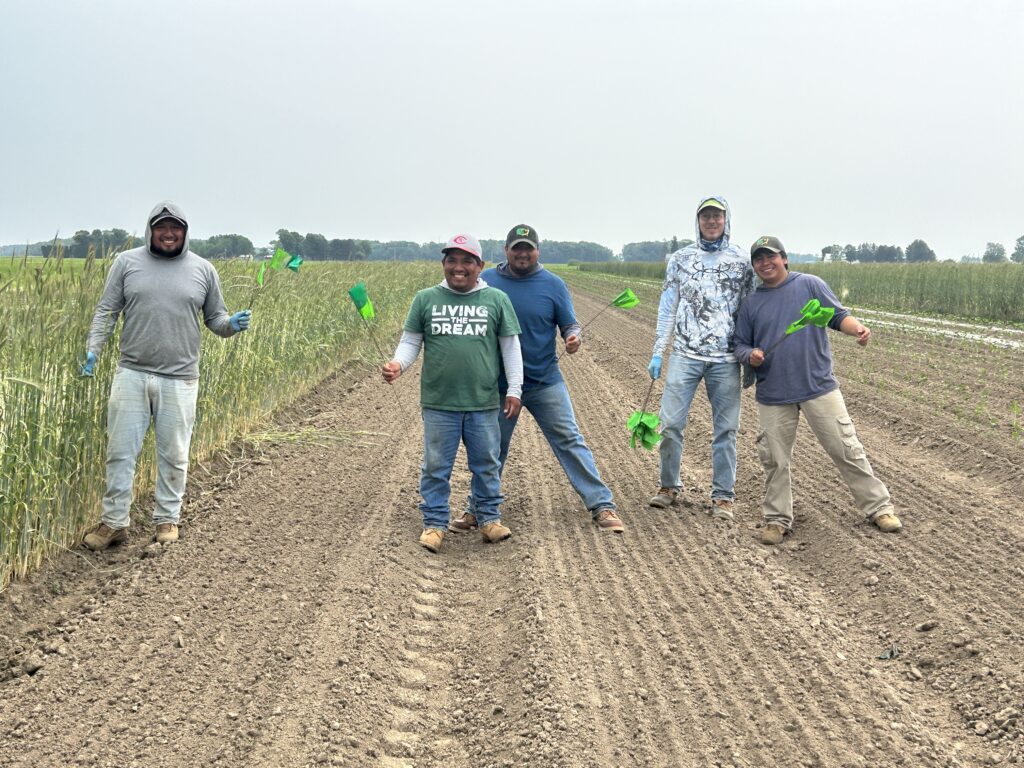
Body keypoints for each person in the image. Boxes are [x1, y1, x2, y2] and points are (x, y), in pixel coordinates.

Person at [81, 201, 252, 550]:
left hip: (180, 378)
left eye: (175, 228)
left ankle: (166, 520)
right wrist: (93, 349)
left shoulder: (203, 270)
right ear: (151, 230)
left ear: (185, 232)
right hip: (131, 372)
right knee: (120, 451)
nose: (169, 233)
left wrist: (231, 325)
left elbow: (216, 320)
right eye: (162, 227)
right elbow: (106, 312)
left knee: (174, 454)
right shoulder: (126, 263)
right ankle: (114, 523)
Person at [448, 224, 625, 534]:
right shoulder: (486, 282)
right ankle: (476, 509)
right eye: (516, 248)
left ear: (537, 251)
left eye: (528, 248)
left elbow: (570, 325)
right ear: (506, 251)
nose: (522, 253)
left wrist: (573, 338)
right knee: (491, 448)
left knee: (569, 440)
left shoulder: (553, 285)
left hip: (545, 381)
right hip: (499, 386)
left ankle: (601, 505)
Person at [733, 235, 903, 545]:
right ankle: (776, 519)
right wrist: (750, 355)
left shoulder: (809, 284)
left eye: (771, 256)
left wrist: (858, 329)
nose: (765, 263)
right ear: (754, 266)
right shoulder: (752, 303)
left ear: (784, 258)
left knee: (846, 448)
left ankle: (879, 508)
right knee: (775, 459)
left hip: (818, 387)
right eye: (759, 259)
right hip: (774, 393)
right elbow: (740, 343)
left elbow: (837, 316)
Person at [383, 233, 524, 553]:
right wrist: (397, 365)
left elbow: (511, 348)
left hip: (483, 400)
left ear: (480, 266)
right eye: (452, 261)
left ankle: (489, 519)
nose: (458, 268)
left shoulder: (496, 300)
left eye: (467, 262)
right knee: (436, 466)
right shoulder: (426, 299)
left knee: (486, 463)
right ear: (444, 264)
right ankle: (434, 524)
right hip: (439, 401)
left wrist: (515, 389)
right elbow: (410, 342)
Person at [647, 196, 754, 520]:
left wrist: (748, 358)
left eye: (716, 216)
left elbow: (749, 311)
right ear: (698, 221)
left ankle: (723, 496)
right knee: (670, 424)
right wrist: (657, 350)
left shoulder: (742, 262)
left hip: (725, 359)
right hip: (684, 354)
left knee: (726, 430)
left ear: (726, 220)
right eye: (705, 216)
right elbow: (668, 305)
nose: (711, 221)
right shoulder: (680, 259)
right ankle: (669, 486)